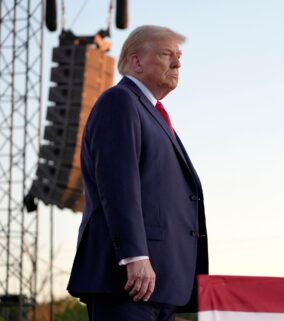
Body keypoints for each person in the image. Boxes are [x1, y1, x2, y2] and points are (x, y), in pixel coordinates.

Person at [67, 25, 208, 321]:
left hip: (160, 283)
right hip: (128, 281)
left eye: (179, 56)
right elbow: (118, 185)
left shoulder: (152, 113)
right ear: (136, 62)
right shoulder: (119, 102)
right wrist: (134, 255)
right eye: (167, 54)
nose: (177, 63)